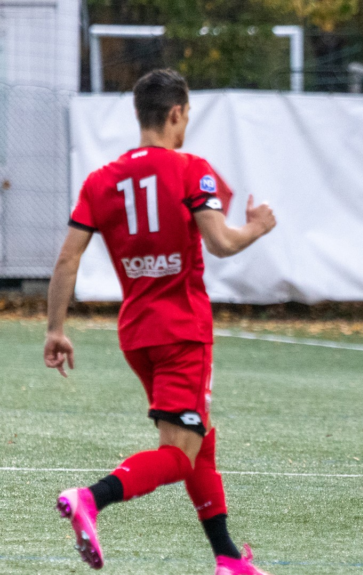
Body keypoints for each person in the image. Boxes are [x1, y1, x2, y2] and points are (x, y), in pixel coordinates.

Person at [44, 69, 277, 574]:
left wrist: (54, 329)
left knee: (201, 440)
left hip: (137, 335)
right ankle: (91, 498)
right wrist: (257, 228)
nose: (185, 124)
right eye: (186, 116)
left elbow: (67, 261)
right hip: (183, 332)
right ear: (176, 114)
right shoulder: (192, 169)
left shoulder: (100, 181)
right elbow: (221, 242)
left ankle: (228, 558)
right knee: (178, 455)